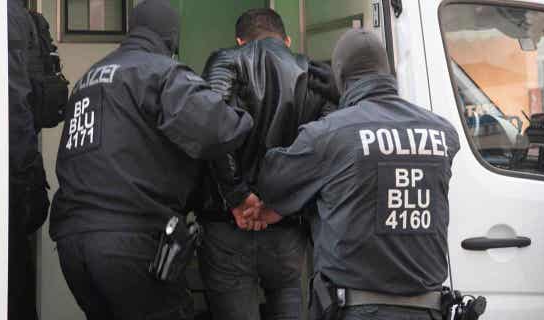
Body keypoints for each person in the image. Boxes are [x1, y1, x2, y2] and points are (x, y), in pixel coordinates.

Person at [49, 1, 253, 319]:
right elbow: (215, 128)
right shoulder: (158, 71)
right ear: (171, 37)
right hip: (128, 241)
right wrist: (247, 111)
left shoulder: (88, 79)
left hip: (72, 244)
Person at [253, 29, 461, 320]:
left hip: (357, 311)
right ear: (388, 72)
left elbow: (272, 183)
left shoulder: (330, 134)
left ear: (339, 75)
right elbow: (373, 179)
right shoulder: (444, 134)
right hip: (429, 310)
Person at [195, 8, 338, 320]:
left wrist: (238, 197)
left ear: (239, 40)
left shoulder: (226, 60)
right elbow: (326, 152)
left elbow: (212, 128)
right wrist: (280, 206)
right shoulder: (316, 74)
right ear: (286, 39)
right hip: (286, 231)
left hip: (227, 225)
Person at [7, 1, 51, 319]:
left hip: (9, 170)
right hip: (18, 163)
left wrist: (23, 176)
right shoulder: (17, 14)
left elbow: (14, 100)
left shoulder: (3, 15)